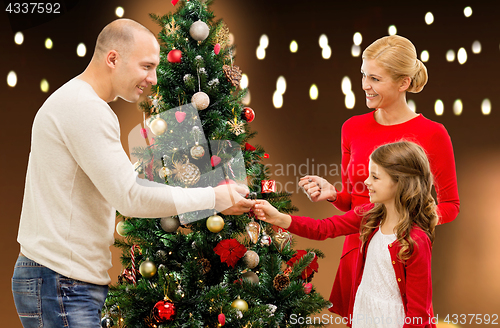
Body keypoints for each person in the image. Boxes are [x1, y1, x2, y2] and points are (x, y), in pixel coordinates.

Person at [12, 18, 254, 328]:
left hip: (61, 281)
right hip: (61, 282)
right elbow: (128, 196)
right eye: (146, 66)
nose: (153, 78)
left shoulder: (77, 102)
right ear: (113, 58)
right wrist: (213, 197)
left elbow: (123, 185)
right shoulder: (84, 108)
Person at [298, 35, 460, 317]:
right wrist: (334, 195)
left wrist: (419, 220)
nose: (364, 85)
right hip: (357, 248)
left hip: (401, 254)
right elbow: (356, 203)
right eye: (363, 75)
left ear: (403, 83)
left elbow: (451, 205)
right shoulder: (352, 127)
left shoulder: (434, 134)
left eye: (374, 78)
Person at [255, 141, 438, 328]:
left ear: (400, 183)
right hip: (363, 312)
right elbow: (325, 228)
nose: (366, 182)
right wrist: (278, 218)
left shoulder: (416, 240)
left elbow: (419, 313)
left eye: (375, 177)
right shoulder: (370, 215)